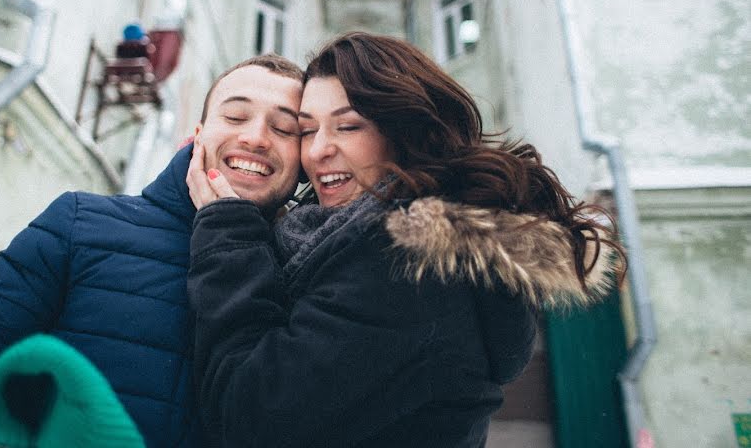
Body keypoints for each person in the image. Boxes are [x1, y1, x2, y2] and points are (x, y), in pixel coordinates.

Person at [186, 32, 627, 447]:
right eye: (306, 130)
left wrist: (229, 237)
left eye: (348, 126)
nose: (317, 150)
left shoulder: (405, 267)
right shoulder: (354, 245)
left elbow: (250, 415)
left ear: (404, 134)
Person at [0, 53, 304, 447]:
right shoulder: (80, 223)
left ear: (302, 161)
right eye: (235, 115)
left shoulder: (306, 276)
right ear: (197, 136)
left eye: (284, 128)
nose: (256, 137)